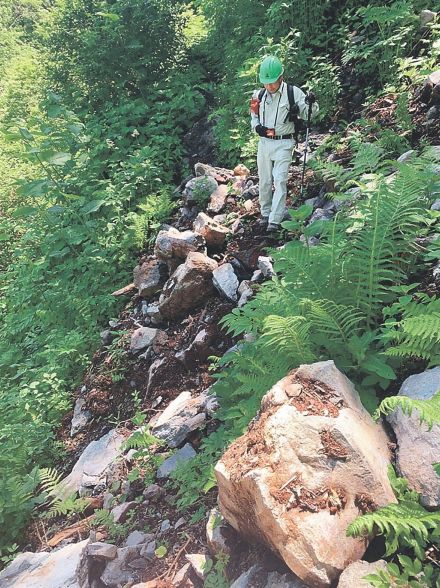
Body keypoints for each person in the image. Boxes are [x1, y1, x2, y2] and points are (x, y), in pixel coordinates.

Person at [250, 55, 319, 232]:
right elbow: (254, 115)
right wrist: (256, 126)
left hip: (284, 143)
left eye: (272, 82)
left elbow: (310, 113)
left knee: (279, 180)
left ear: (281, 77)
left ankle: (275, 220)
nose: (269, 86)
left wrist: (310, 103)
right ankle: (265, 214)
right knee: (264, 180)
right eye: (266, 83)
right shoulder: (258, 95)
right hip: (264, 143)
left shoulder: (293, 92)